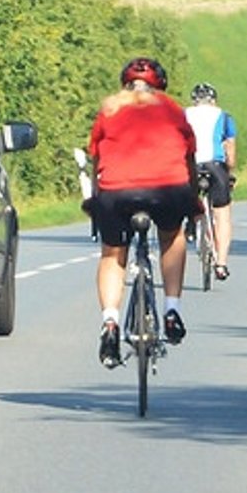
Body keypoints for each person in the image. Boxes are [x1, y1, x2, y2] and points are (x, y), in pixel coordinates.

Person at [87, 56, 198, 364]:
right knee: (171, 237)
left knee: (112, 253)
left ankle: (109, 321)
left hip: (116, 192)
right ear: (159, 86)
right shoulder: (173, 109)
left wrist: (98, 197)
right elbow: (189, 156)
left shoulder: (109, 109)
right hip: (168, 189)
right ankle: (172, 310)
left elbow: (95, 157)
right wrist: (194, 201)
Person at [183, 81, 238, 280]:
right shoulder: (224, 117)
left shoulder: (183, 115)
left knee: (187, 198)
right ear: (214, 101)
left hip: (190, 166)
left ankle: (192, 222)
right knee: (222, 215)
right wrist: (229, 172)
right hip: (215, 167)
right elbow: (230, 153)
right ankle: (221, 264)